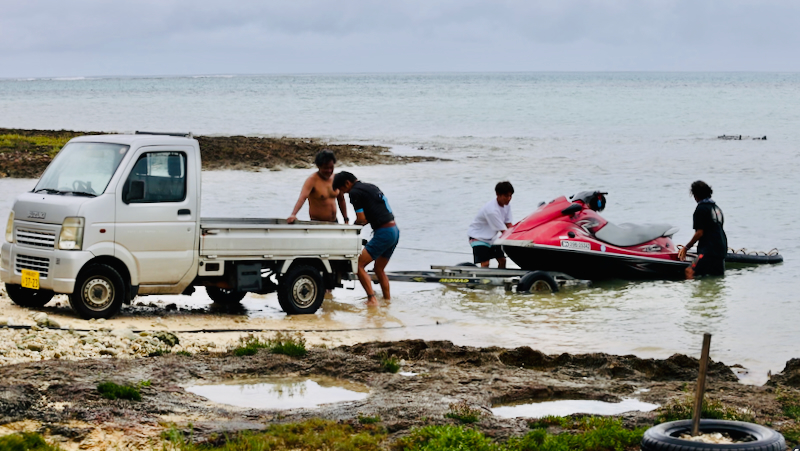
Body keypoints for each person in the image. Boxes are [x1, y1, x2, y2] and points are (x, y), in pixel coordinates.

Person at [333, 171, 399, 306]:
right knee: (379, 269)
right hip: (394, 230)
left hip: (384, 233)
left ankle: (372, 299)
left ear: (347, 183)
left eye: (343, 191)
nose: (344, 194)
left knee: (358, 265)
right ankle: (387, 301)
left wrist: (351, 229)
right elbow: (373, 214)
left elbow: (362, 219)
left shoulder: (354, 193)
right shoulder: (371, 187)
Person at [678, 180, 727, 279]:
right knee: (715, 278)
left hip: (708, 250)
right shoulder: (717, 208)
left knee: (689, 271)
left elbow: (699, 233)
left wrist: (686, 247)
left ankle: (693, 294)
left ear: (695, 195)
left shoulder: (701, 209)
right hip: (721, 249)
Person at [287, 150, 348, 224]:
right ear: (318, 166)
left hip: (334, 222)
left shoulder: (335, 178)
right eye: (325, 168)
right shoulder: (312, 180)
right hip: (317, 223)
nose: (329, 171)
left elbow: (341, 200)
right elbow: (302, 198)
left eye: (331, 167)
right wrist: (293, 214)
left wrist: (346, 219)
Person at [467, 181, 514, 268]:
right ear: (498, 194)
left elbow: (508, 224)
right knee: (485, 264)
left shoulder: (507, 205)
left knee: (502, 260)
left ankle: (500, 279)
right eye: (506, 196)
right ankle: (483, 281)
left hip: (492, 238)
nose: (508, 198)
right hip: (478, 237)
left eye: (510, 196)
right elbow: (504, 231)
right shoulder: (491, 210)